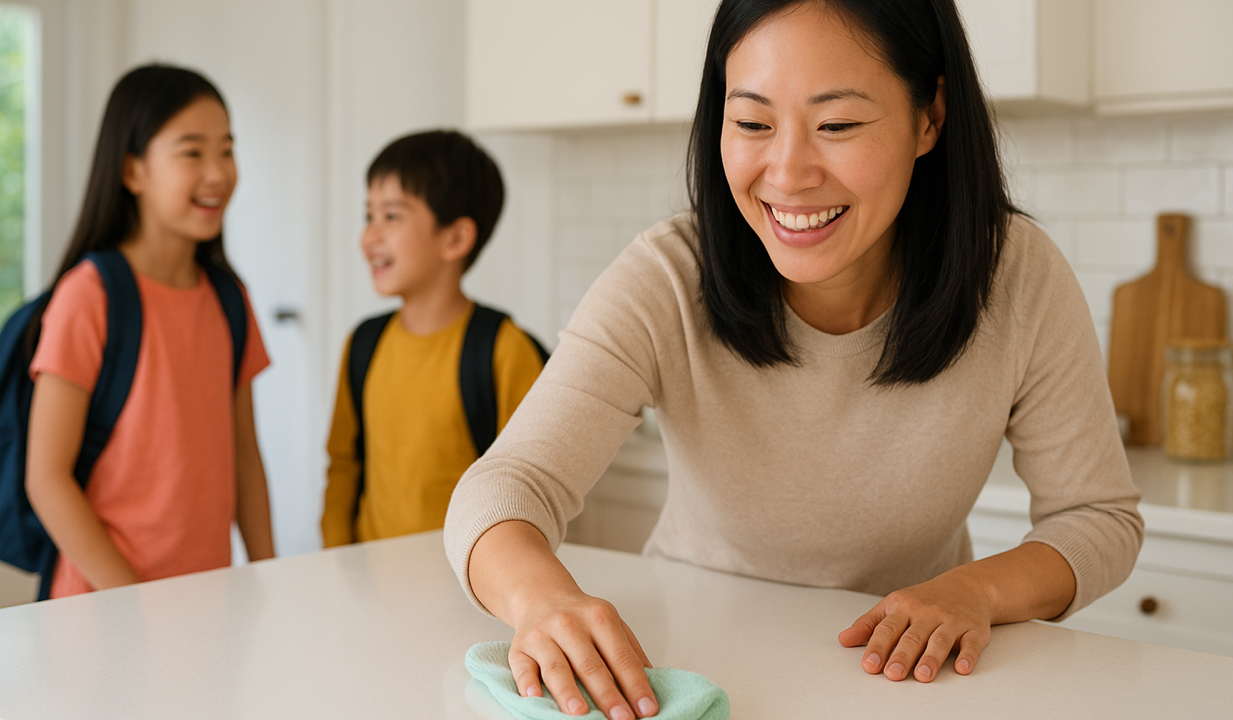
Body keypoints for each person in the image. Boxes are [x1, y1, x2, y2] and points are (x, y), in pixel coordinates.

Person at [443, 0, 1143, 718]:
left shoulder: (1016, 275)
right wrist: (542, 599)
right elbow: (507, 484)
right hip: (697, 659)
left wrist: (976, 590)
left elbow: (1096, 517)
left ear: (929, 117)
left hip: (909, 682)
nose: (787, 172)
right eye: (752, 124)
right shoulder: (669, 276)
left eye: (836, 125)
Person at [25, 64, 275, 598]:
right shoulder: (89, 296)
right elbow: (46, 478)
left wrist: (267, 578)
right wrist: (133, 603)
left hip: (205, 604)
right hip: (102, 611)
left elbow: (245, 457)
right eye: (192, 152)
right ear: (133, 171)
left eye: (226, 150)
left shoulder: (230, 298)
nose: (218, 173)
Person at [320, 130, 546, 547]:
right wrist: (337, 558)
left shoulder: (505, 351)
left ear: (455, 238)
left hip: (467, 584)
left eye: (391, 217)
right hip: (368, 578)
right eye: (368, 216)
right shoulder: (363, 343)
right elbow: (343, 466)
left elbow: (532, 491)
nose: (369, 237)